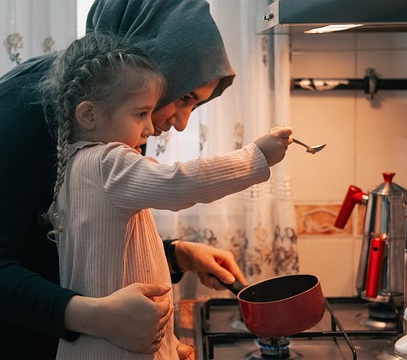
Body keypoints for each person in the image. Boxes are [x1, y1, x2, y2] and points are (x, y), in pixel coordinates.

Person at [0, 0, 258, 359]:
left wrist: (177, 255)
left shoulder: (114, 114)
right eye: (184, 97)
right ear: (152, 57)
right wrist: (105, 320)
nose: (181, 122)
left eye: (195, 107)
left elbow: (75, 235)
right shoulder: (30, 109)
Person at [42, 33, 291, 359]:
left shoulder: (75, 166)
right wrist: (256, 156)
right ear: (89, 115)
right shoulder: (107, 163)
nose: (149, 128)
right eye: (140, 114)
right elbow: (179, 183)